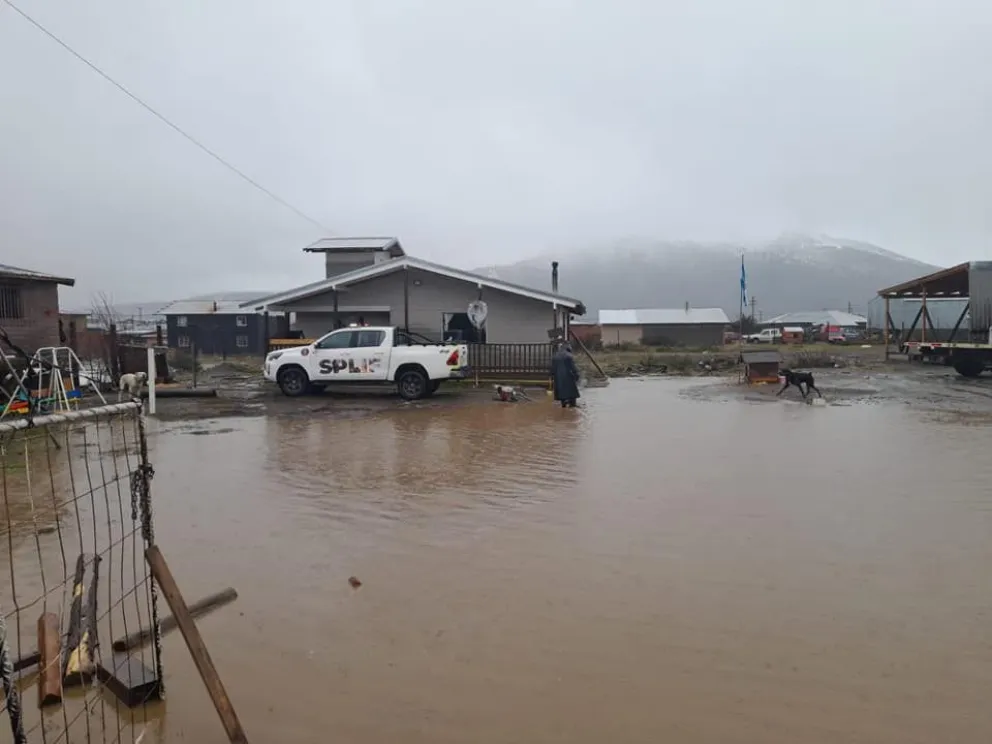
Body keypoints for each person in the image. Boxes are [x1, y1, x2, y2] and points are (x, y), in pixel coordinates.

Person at [550, 342, 580, 408]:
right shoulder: (569, 355)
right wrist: (577, 375)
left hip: (558, 378)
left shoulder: (555, 356)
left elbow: (552, 368)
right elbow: (573, 367)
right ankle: (572, 408)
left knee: (562, 396)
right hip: (568, 377)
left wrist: (551, 376)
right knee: (572, 394)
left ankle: (564, 406)